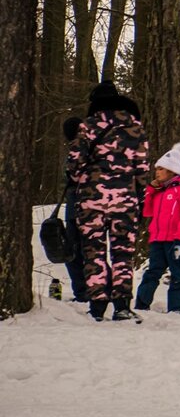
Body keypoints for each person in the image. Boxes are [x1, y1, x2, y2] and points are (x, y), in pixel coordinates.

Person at [64, 80, 149, 322]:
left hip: (91, 200)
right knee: (123, 252)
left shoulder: (87, 126)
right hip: (125, 200)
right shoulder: (135, 129)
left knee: (94, 252)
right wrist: (139, 198)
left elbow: (73, 165)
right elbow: (142, 169)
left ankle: (97, 305)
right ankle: (122, 305)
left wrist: (82, 180)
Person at [135, 143, 180, 314]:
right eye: (157, 169)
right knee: (152, 272)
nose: (157, 172)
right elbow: (147, 212)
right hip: (157, 239)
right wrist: (151, 190)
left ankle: (177, 309)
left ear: (171, 170)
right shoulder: (160, 191)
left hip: (174, 239)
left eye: (161, 169)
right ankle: (141, 304)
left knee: (177, 274)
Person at [61, 117, 88, 302]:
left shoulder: (78, 147)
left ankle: (83, 291)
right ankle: (98, 290)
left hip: (77, 206)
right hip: (90, 206)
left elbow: (73, 173)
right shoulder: (93, 146)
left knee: (73, 250)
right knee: (90, 250)